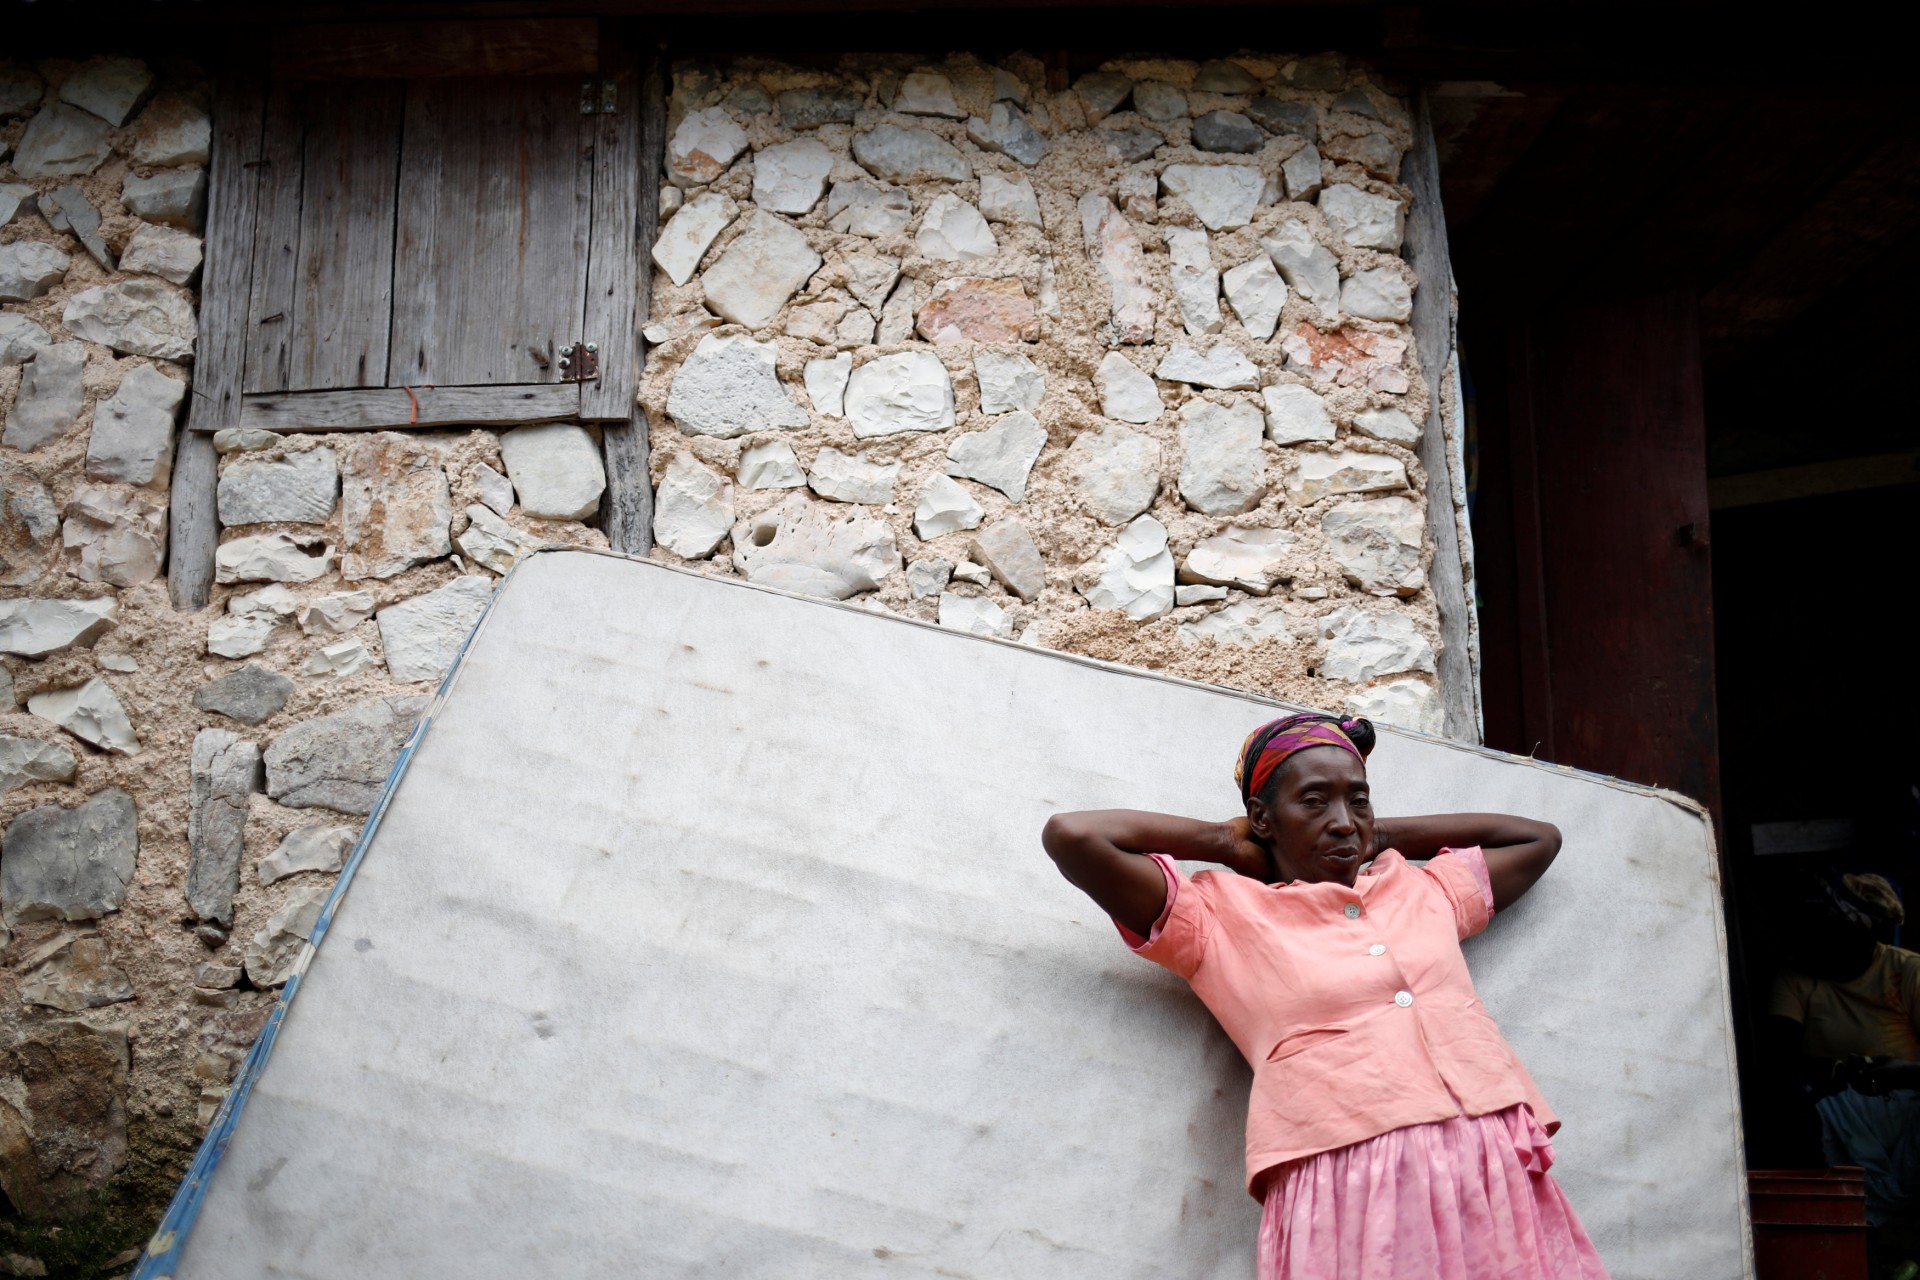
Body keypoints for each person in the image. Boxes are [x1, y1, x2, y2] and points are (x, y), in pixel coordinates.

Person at [1041, 711, 1608, 1279]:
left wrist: (1376, 834)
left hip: (1485, 1156)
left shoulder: (1419, 888)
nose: (1341, 821)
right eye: (1314, 801)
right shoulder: (1216, 917)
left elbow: (1538, 838)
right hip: (1347, 1172)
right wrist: (1223, 843)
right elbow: (1075, 836)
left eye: (1357, 800)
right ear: (1263, 818)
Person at [1766, 873, 1920, 1274]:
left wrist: (1901, 1072)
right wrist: (1834, 1074)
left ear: (1862, 937)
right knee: (1792, 1123)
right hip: (1831, 1106)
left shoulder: (1906, 972)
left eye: (1830, 935)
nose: (1816, 944)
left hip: (1908, 1108)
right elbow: (1778, 1059)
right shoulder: (1798, 977)